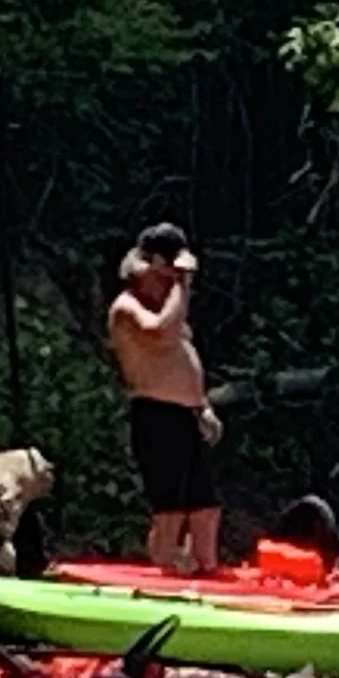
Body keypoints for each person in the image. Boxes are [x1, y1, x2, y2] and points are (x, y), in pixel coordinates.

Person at [108, 222, 222, 573]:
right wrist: (181, 284)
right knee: (169, 510)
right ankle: (165, 572)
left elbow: (180, 357)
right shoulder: (127, 306)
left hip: (185, 414)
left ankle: (206, 569)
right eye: (168, 270)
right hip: (155, 415)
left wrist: (202, 406)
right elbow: (161, 334)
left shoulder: (170, 301)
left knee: (205, 506)